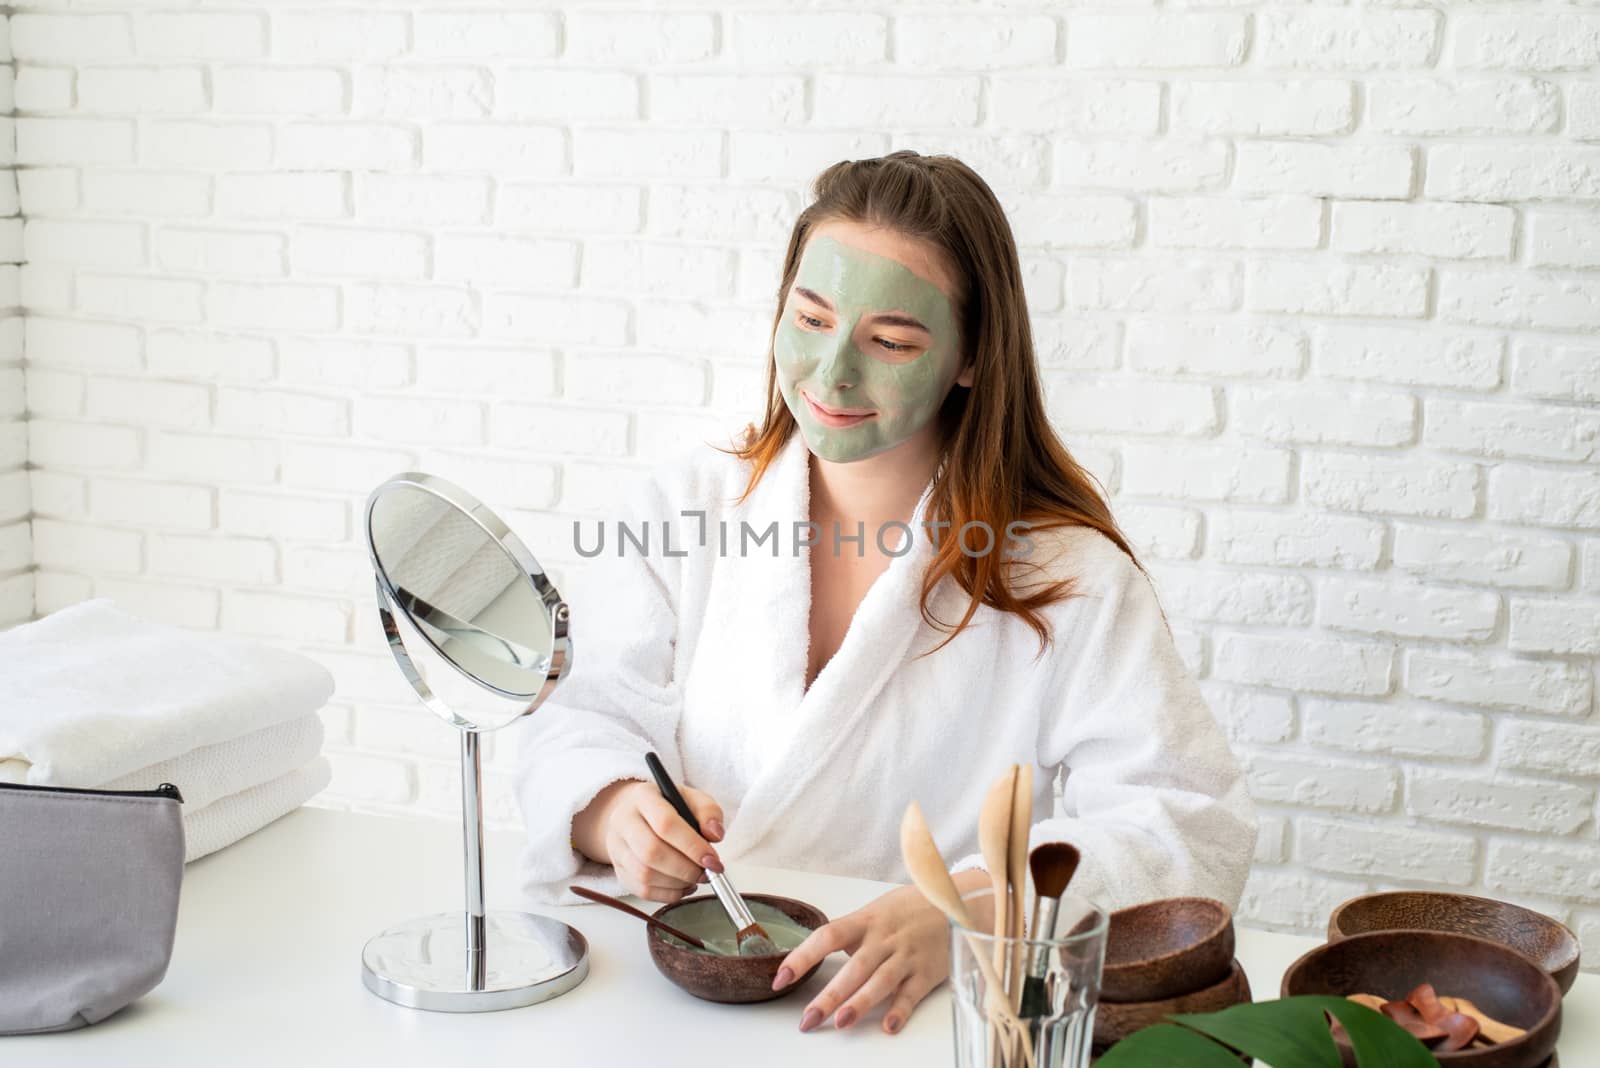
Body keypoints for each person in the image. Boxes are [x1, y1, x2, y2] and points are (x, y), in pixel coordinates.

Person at [511, 150, 1258, 1036]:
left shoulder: (1063, 577)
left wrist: (968, 912)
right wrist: (613, 815)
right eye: (810, 318)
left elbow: (1187, 826)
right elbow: (578, 718)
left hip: (906, 1024)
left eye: (892, 342)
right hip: (663, 1006)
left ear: (972, 358)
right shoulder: (684, 508)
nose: (831, 375)